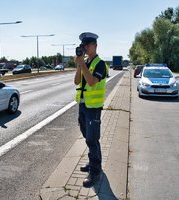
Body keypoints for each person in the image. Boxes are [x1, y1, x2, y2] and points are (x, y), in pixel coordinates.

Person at [74, 32, 108, 187]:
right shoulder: (85, 63)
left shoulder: (100, 64)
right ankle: (93, 161)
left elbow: (92, 82)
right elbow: (76, 81)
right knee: (88, 136)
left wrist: (82, 64)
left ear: (95, 45)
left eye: (88, 45)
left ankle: (95, 171)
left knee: (92, 139)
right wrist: (79, 65)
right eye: (83, 45)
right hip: (82, 104)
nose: (85, 48)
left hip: (93, 108)